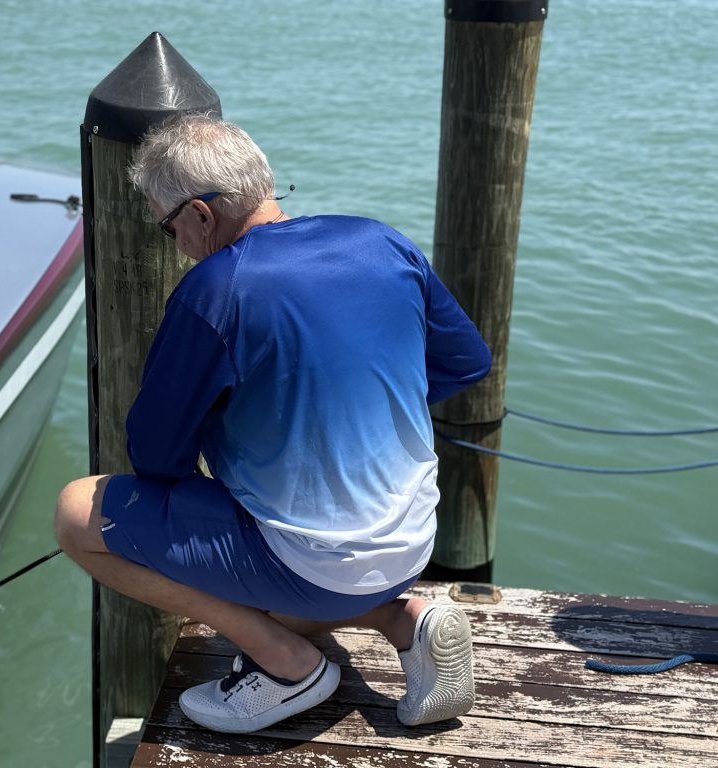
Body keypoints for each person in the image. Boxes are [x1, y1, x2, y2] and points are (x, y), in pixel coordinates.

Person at [54, 113, 491, 734]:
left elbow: (155, 457)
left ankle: (287, 668)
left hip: (309, 567)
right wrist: (352, 408)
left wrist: (237, 436)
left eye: (168, 227)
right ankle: (405, 619)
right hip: (413, 544)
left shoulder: (214, 290)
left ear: (200, 215)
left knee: (77, 513)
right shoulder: (382, 241)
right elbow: (467, 361)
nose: (176, 244)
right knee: (293, 578)